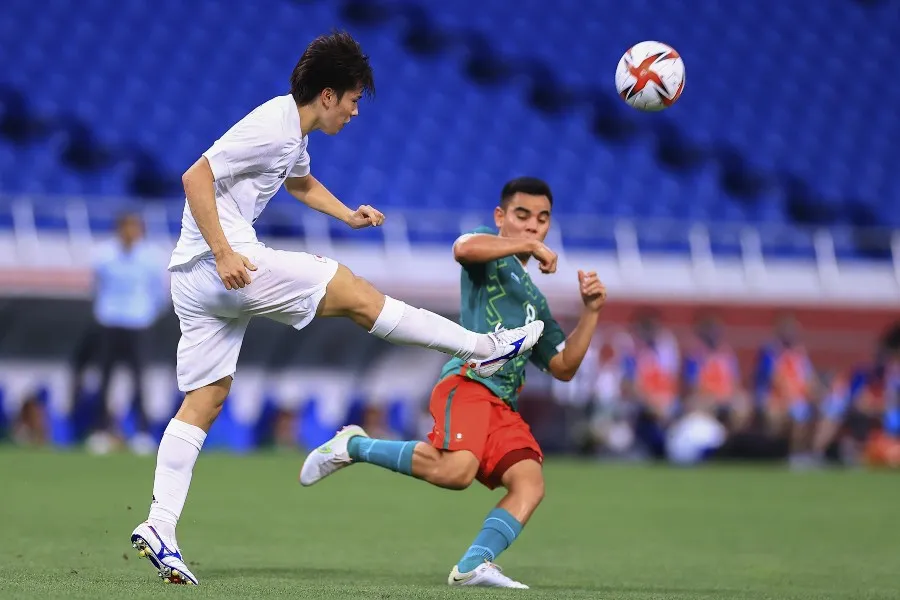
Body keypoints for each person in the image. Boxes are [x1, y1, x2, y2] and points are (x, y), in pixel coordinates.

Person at [129, 32, 544, 586]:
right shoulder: (274, 122)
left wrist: (347, 214)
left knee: (206, 398)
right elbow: (194, 176)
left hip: (194, 275)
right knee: (355, 295)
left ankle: (160, 524)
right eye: (352, 99)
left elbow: (298, 181)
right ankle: (485, 348)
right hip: (225, 263)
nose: (353, 111)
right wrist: (226, 252)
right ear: (327, 94)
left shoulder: (291, 136)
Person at [300, 177, 607, 589]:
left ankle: (472, 567)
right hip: (470, 383)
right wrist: (526, 247)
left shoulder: (537, 302)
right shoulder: (489, 252)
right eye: (522, 216)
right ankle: (353, 445)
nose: (533, 226)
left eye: (542, 219)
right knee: (458, 471)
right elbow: (463, 248)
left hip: (503, 405)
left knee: (529, 483)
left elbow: (563, 366)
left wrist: (590, 312)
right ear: (500, 217)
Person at [76, 211, 168, 454]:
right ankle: (101, 432)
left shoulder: (151, 257)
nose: (130, 232)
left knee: (139, 380)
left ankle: (142, 433)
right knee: (104, 380)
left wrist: (146, 313)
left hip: (139, 324)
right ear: (118, 230)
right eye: (126, 228)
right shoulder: (103, 255)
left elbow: (159, 294)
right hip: (109, 322)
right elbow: (95, 288)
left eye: (134, 227)